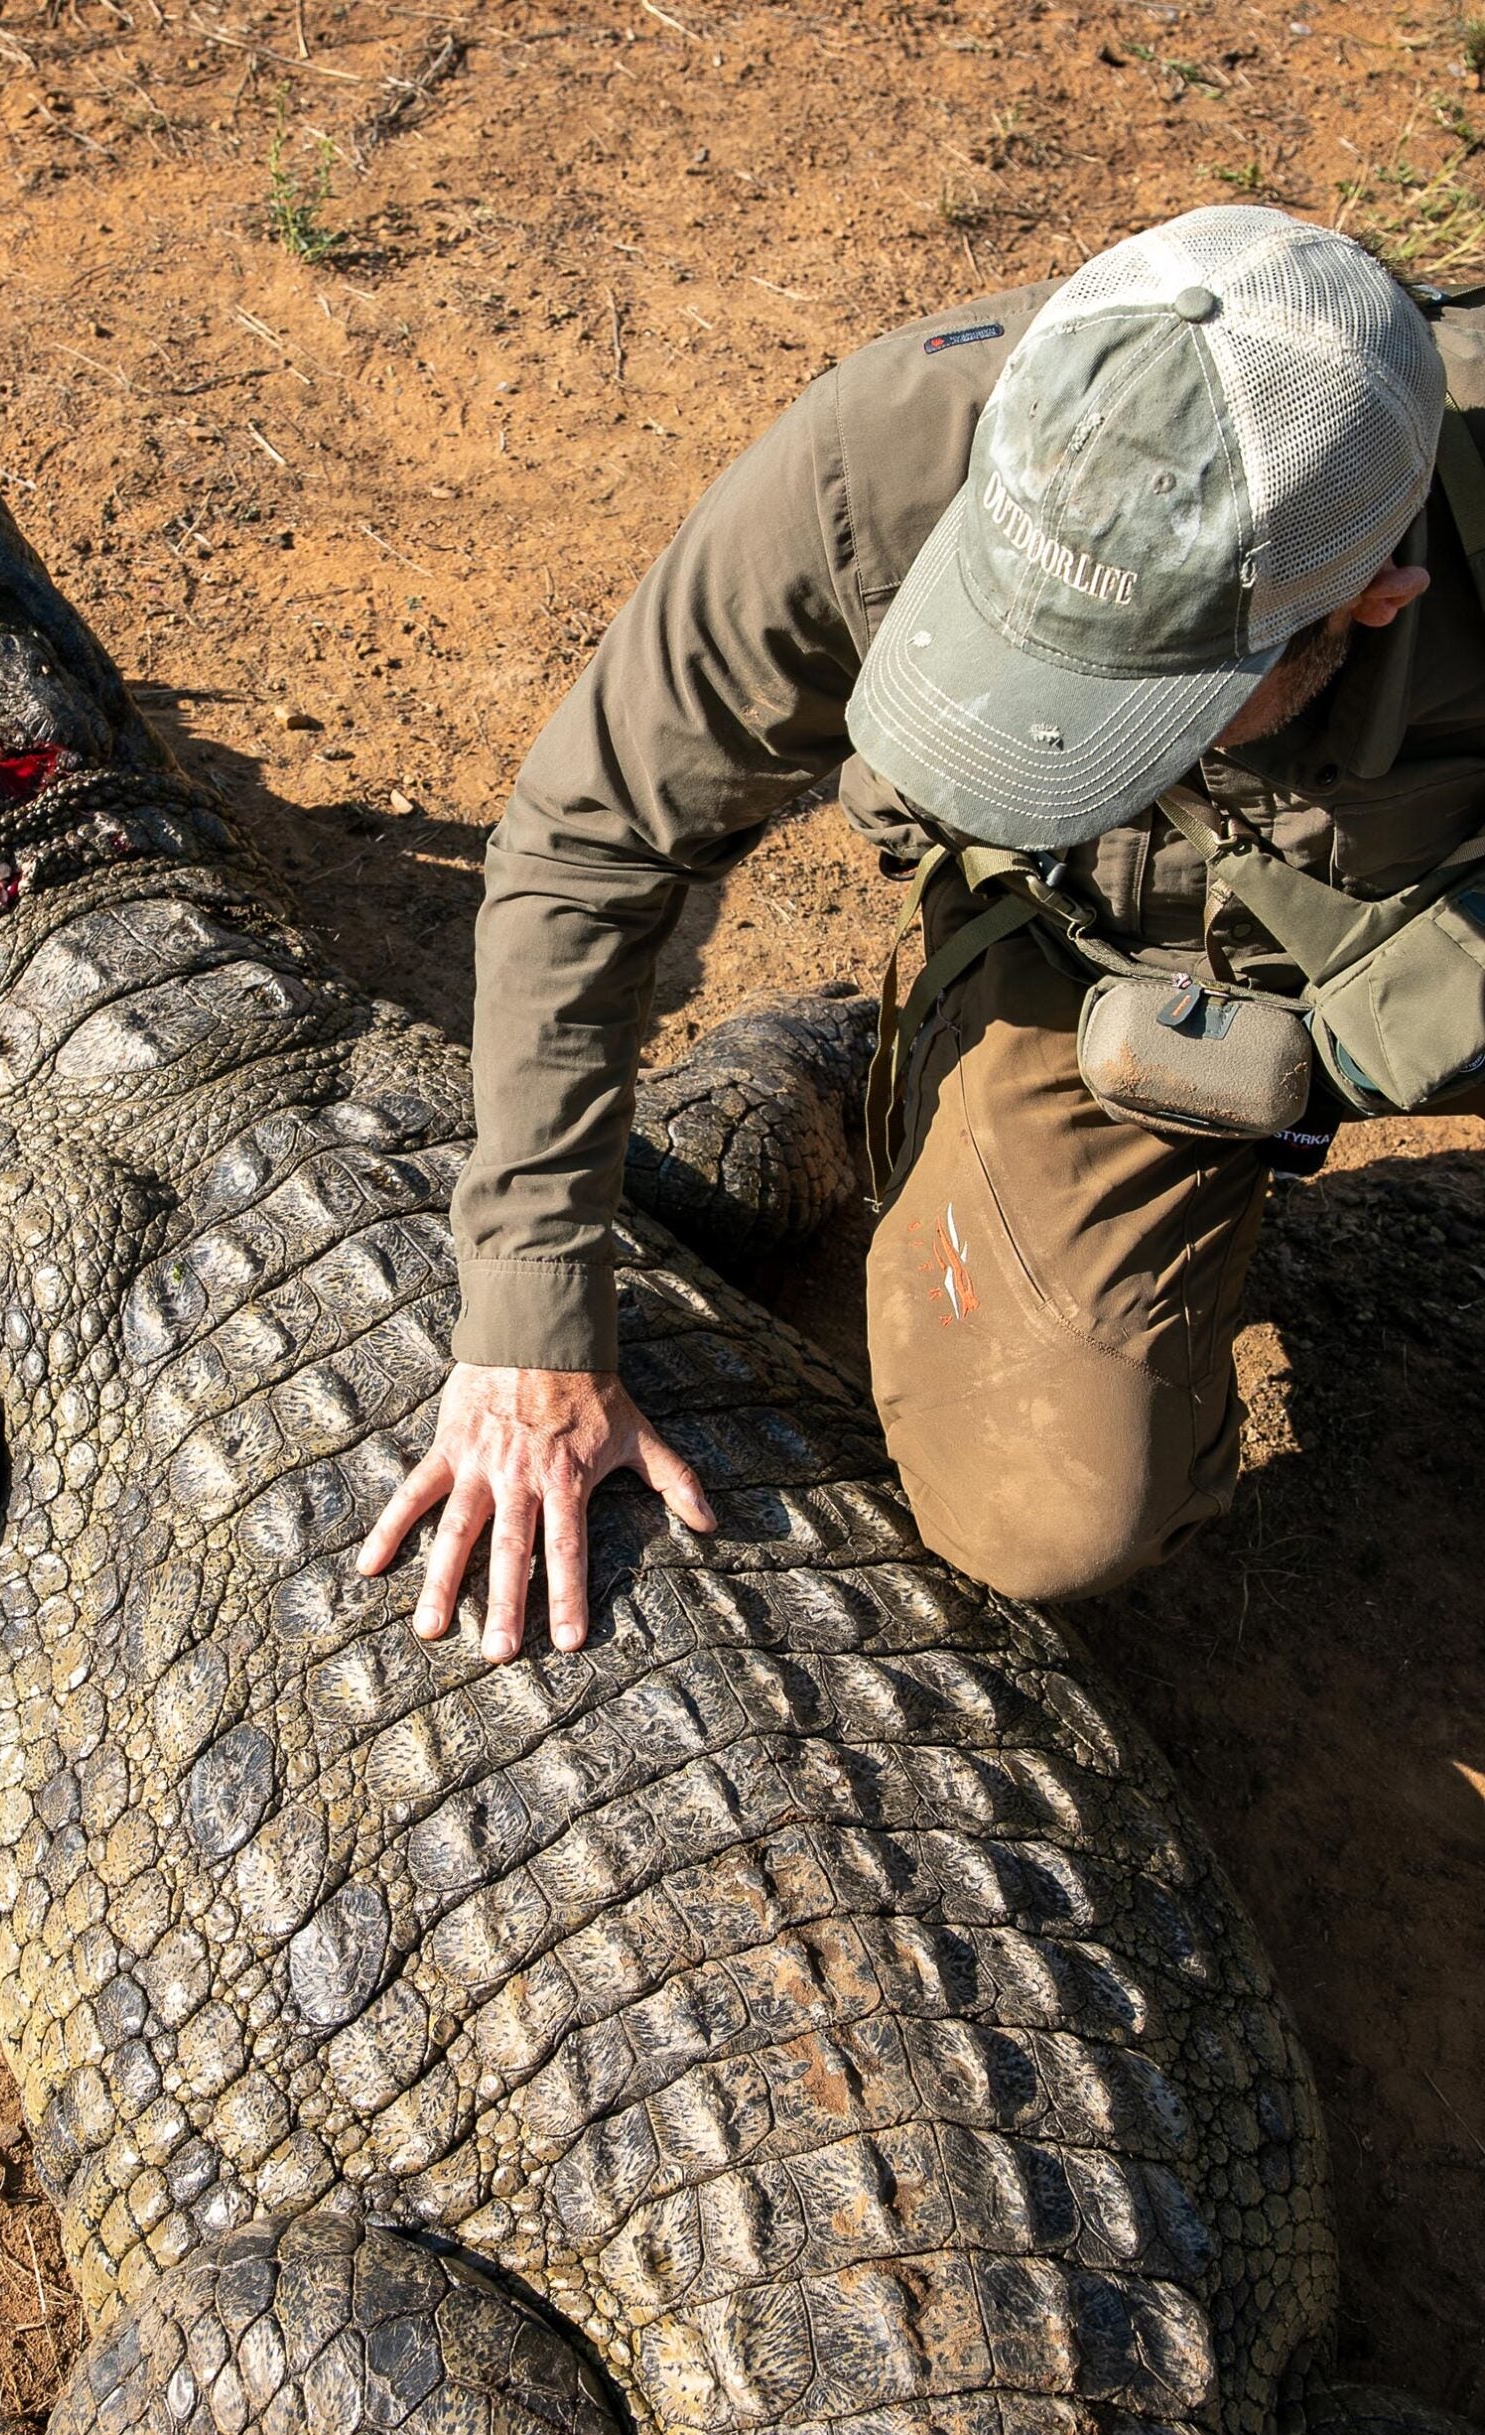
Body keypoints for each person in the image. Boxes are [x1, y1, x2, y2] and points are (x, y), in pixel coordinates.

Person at [358, 205, 1485, 1649]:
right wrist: (526, 1311)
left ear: (1377, 593)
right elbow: (591, 836)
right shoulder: (881, 458)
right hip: (1099, 969)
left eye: (1129, 701)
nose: (1041, 718)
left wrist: (1425, 998)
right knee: (1050, 1511)